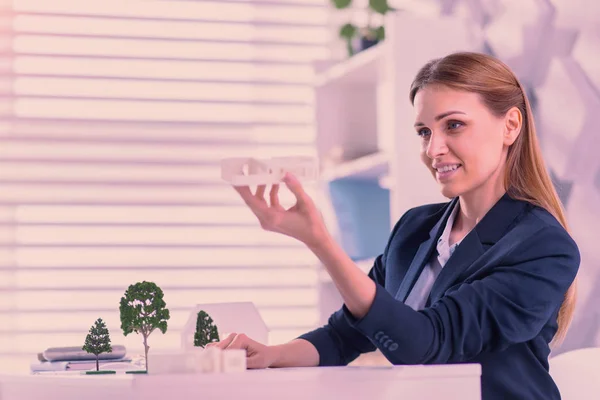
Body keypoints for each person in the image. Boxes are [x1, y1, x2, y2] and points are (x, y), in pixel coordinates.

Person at [209, 51, 580, 400]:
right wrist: (269, 355)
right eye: (424, 131)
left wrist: (320, 241)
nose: (433, 149)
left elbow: (426, 343)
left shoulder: (543, 246)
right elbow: (344, 336)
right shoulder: (415, 228)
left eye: (454, 125)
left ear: (510, 126)